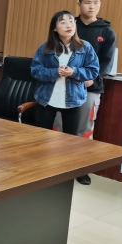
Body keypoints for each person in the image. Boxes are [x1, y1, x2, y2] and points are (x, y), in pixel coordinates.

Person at [31, 10, 100, 184]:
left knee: (72, 139)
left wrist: (74, 72)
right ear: (55, 28)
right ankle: (40, 171)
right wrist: (55, 72)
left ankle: (75, 171)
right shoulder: (45, 48)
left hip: (73, 100)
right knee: (42, 138)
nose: (69, 25)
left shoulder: (85, 47)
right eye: (62, 22)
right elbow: (35, 71)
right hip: (47, 99)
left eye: (71, 21)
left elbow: (93, 71)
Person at [74, 0, 117, 185]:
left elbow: (107, 62)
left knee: (85, 129)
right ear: (79, 4)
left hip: (90, 88)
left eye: (96, 3)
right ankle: (56, 166)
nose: (92, 7)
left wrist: (93, 78)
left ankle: (82, 169)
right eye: (87, 2)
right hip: (64, 86)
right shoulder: (69, 25)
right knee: (59, 126)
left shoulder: (106, 31)